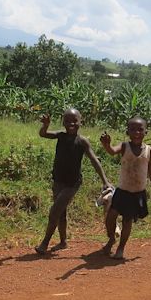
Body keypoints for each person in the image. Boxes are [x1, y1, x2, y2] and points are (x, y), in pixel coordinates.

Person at [34, 108, 111, 254]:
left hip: (72, 183)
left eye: (75, 120)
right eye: (67, 120)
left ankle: (44, 243)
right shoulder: (60, 136)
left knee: (54, 211)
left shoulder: (82, 141)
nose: (71, 123)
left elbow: (94, 160)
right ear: (63, 122)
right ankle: (63, 242)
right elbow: (43, 134)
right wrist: (45, 125)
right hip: (58, 180)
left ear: (81, 122)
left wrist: (105, 181)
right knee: (61, 212)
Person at [99, 117, 151, 260]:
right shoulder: (125, 146)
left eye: (140, 129)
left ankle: (120, 249)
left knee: (127, 221)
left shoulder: (149, 151)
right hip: (122, 191)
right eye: (132, 129)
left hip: (137, 193)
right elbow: (113, 151)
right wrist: (107, 145)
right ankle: (112, 238)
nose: (136, 132)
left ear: (146, 132)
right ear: (127, 131)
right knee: (110, 217)